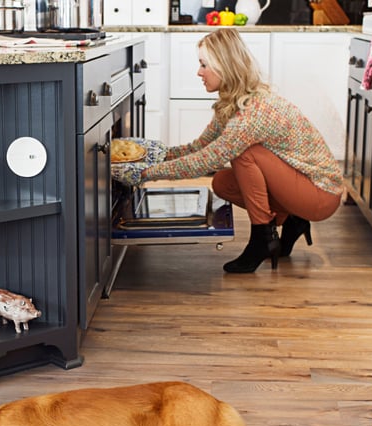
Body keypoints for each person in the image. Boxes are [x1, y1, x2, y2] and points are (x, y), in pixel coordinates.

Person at [139, 28, 344, 273]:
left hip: (322, 194)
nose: (198, 72)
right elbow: (199, 147)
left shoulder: (251, 113)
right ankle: (292, 219)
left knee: (244, 152)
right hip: (304, 185)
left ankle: (262, 238)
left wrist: (147, 173)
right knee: (223, 183)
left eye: (204, 65)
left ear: (223, 66)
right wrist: (153, 155)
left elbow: (206, 160)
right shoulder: (233, 102)